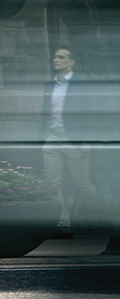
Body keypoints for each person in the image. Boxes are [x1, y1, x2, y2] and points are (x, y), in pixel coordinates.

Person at [42, 47, 102, 237]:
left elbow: (90, 113)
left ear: (71, 62)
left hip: (74, 139)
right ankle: (62, 224)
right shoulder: (50, 85)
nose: (56, 60)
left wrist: (87, 140)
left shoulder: (81, 84)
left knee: (81, 183)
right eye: (55, 57)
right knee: (52, 183)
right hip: (52, 139)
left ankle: (112, 209)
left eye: (61, 57)